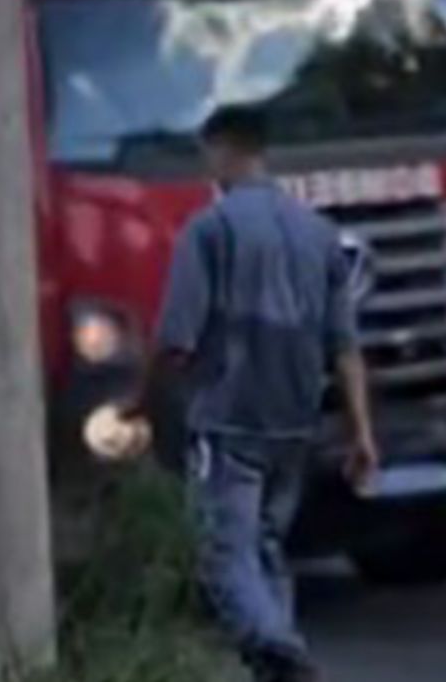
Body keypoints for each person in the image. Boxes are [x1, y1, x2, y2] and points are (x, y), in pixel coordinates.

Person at [121, 105, 380, 682]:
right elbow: (345, 347)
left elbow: (175, 341)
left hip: (230, 418)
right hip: (295, 421)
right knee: (264, 548)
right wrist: (362, 435)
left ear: (222, 151)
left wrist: (139, 403)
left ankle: (280, 652)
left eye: (206, 153)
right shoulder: (319, 234)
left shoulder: (209, 231)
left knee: (221, 554)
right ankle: (276, 661)